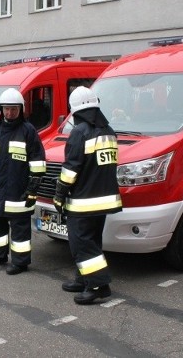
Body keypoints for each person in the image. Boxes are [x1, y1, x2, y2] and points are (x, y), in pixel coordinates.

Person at [52, 86, 122, 305]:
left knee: (82, 244)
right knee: (92, 241)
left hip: (83, 202)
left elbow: (70, 169)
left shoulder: (79, 132)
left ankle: (99, 286)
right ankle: (83, 279)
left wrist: (59, 195)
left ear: (76, 110)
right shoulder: (108, 130)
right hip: (103, 200)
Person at [0, 88, 46, 275]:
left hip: (19, 191)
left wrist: (33, 189)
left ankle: (20, 262)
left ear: (21, 109)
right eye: (6, 109)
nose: (9, 113)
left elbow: (38, 163)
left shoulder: (28, 131)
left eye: (13, 109)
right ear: (1, 109)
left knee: (20, 230)